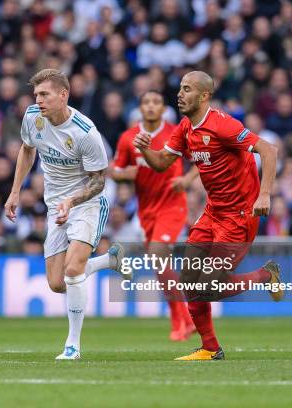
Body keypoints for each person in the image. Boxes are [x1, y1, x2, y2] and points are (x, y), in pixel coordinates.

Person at [133, 71, 283, 361]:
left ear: (204, 96)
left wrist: (264, 194)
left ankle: (266, 274)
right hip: (212, 213)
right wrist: (146, 150)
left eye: (187, 89)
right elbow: (163, 162)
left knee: (206, 288)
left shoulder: (223, 125)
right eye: (179, 88)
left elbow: (268, 149)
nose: (179, 94)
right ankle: (210, 348)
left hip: (239, 217)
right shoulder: (186, 127)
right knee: (190, 283)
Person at [4, 69, 128, 360]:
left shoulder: (86, 133)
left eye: (44, 94)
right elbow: (26, 150)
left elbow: (100, 180)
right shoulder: (32, 117)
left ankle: (72, 345)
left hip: (87, 203)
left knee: (73, 271)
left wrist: (72, 201)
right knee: (57, 283)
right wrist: (15, 192)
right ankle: (110, 260)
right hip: (54, 205)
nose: (39, 100)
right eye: (36, 95)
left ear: (64, 95)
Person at [111, 90, 197, 341]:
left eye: (156, 102)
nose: (150, 106)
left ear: (163, 109)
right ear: (140, 109)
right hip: (146, 208)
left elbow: (201, 162)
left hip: (172, 203)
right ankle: (179, 319)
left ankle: (185, 317)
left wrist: (186, 179)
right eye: (146, 102)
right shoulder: (129, 138)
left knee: (158, 253)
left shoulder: (177, 132)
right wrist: (133, 171)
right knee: (160, 265)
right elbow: (116, 171)